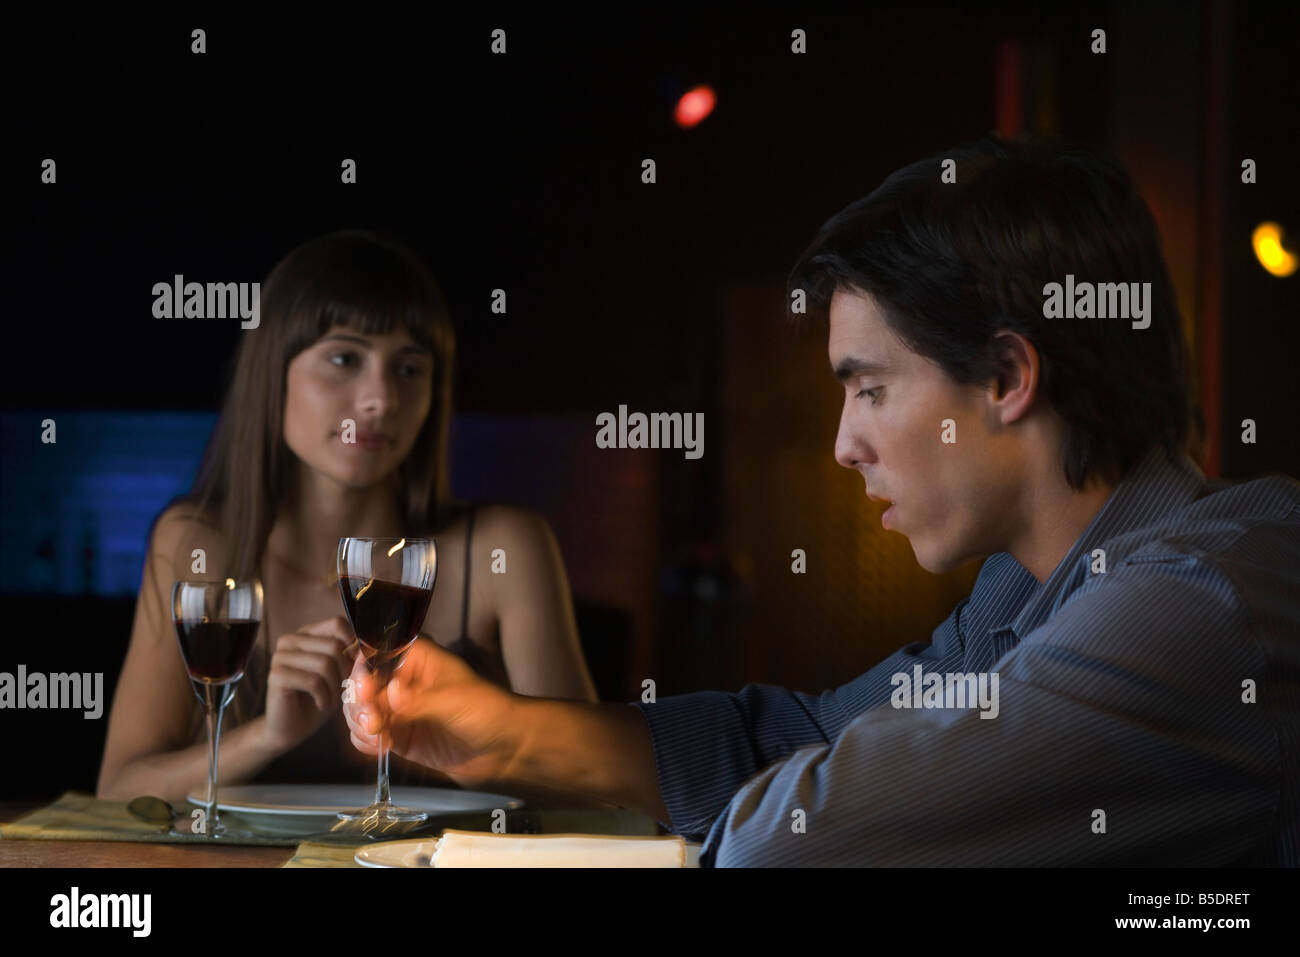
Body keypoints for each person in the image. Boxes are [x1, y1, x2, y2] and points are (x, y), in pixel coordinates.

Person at [342, 138, 1300, 866]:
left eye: (871, 388)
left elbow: (790, 839)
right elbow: (794, 739)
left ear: (1008, 374)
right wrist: (506, 730)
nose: (845, 444)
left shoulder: (1204, 601)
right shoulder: (1026, 589)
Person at [97, 230, 597, 803]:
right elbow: (119, 792)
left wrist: (462, 747)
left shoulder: (504, 549)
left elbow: (595, 793)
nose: (380, 398)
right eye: (344, 358)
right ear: (272, 370)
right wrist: (267, 736)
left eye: (410, 368)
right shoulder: (191, 542)